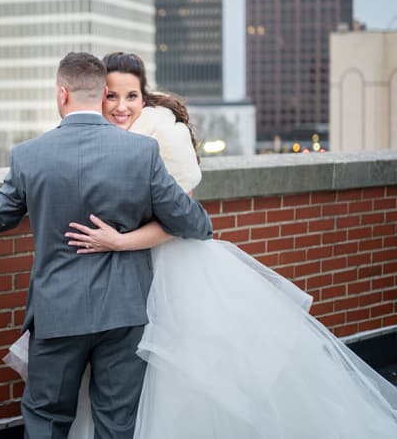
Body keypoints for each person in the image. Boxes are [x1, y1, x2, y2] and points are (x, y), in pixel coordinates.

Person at [57, 51, 397, 438]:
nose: (120, 106)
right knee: (119, 376)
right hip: (120, 272)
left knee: (180, 373)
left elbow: (181, 222)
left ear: (144, 96)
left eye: (131, 96)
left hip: (170, 266)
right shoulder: (95, 137)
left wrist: (120, 241)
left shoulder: (164, 134)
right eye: (111, 96)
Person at [0, 52, 214, 439]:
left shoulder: (29, 155)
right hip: (125, 312)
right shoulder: (141, 153)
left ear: (62, 94)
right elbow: (193, 223)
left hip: (58, 312)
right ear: (102, 93)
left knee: (46, 418)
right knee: (117, 424)